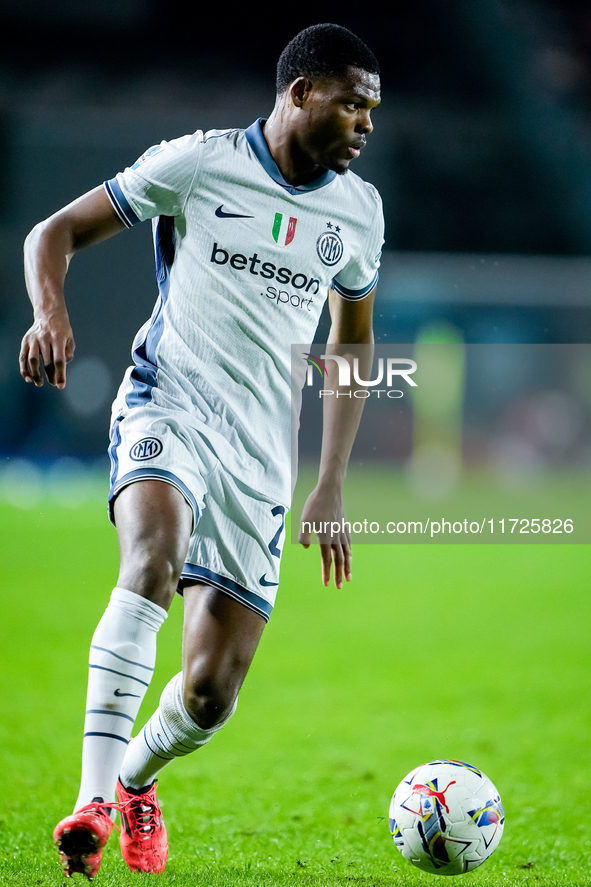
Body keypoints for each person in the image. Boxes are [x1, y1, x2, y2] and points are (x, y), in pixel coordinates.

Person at [19, 22, 383, 880]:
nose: (367, 125)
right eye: (353, 104)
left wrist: (329, 482)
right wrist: (50, 312)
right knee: (152, 556)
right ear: (300, 93)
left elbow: (353, 345)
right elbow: (53, 232)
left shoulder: (357, 211)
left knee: (211, 693)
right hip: (168, 402)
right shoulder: (199, 162)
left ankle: (138, 781)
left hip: (261, 460)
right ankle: (94, 800)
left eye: (374, 111)